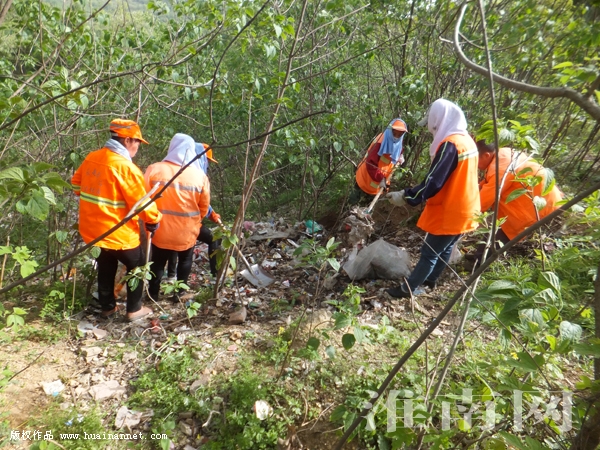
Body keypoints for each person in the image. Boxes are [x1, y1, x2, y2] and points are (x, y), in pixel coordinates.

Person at [385, 99, 480, 298]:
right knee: (445, 248)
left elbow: (433, 182)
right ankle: (430, 281)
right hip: (467, 208)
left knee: (429, 253)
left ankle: (407, 289)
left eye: (433, 125)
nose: (432, 130)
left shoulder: (451, 146)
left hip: (451, 209)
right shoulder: (467, 141)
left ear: (440, 120)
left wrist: (406, 196)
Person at [72, 119, 161, 321]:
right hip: (118, 234)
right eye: (137, 142)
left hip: (94, 231)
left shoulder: (92, 158)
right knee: (137, 265)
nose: (138, 147)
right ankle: (134, 310)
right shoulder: (125, 168)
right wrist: (153, 219)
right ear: (127, 140)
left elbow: (76, 185)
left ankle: (108, 308)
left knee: (105, 266)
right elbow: (141, 203)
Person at [467, 140, 564, 265]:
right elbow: (487, 183)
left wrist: (462, 214)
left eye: (475, 159)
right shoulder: (503, 154)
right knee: (497, 229)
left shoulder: (501, 168)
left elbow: (482, 202)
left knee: (502, 233)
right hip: (537, 201)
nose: (474, 164)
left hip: (539, 207)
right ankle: (478, 257)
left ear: (486, 155)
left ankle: (479, 264)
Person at [144, 133, 211, 302]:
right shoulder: (200, 176)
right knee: (185, 259)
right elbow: (204, 207)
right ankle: (179, 294)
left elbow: (143, 197)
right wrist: (196, 221)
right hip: (187, 231)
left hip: (160, 229)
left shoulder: (154, 169)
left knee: (158, 262)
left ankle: (153, 294)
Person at [165, 142, 222, 278]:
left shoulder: (176, 170)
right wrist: (207, 214)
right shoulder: (196, 175)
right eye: (207, 160)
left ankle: (171, 276)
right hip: (186, 223)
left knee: (172, 242)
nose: (207, 164)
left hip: (168, 222)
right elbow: (201, 201)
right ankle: (215, 275)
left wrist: (212, 214)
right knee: (213, 239)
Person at [350, 118, 408, 204]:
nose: (396, 136)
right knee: (354, 205)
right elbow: (370, 163)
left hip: (378, 183)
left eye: (400, 134)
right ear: (390, 130)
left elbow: (397, 150)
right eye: (394, 133)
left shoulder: (398, 141)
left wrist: (400, 156)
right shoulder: (380, 142)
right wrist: (380, 178)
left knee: (368, 207)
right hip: (366, 179)